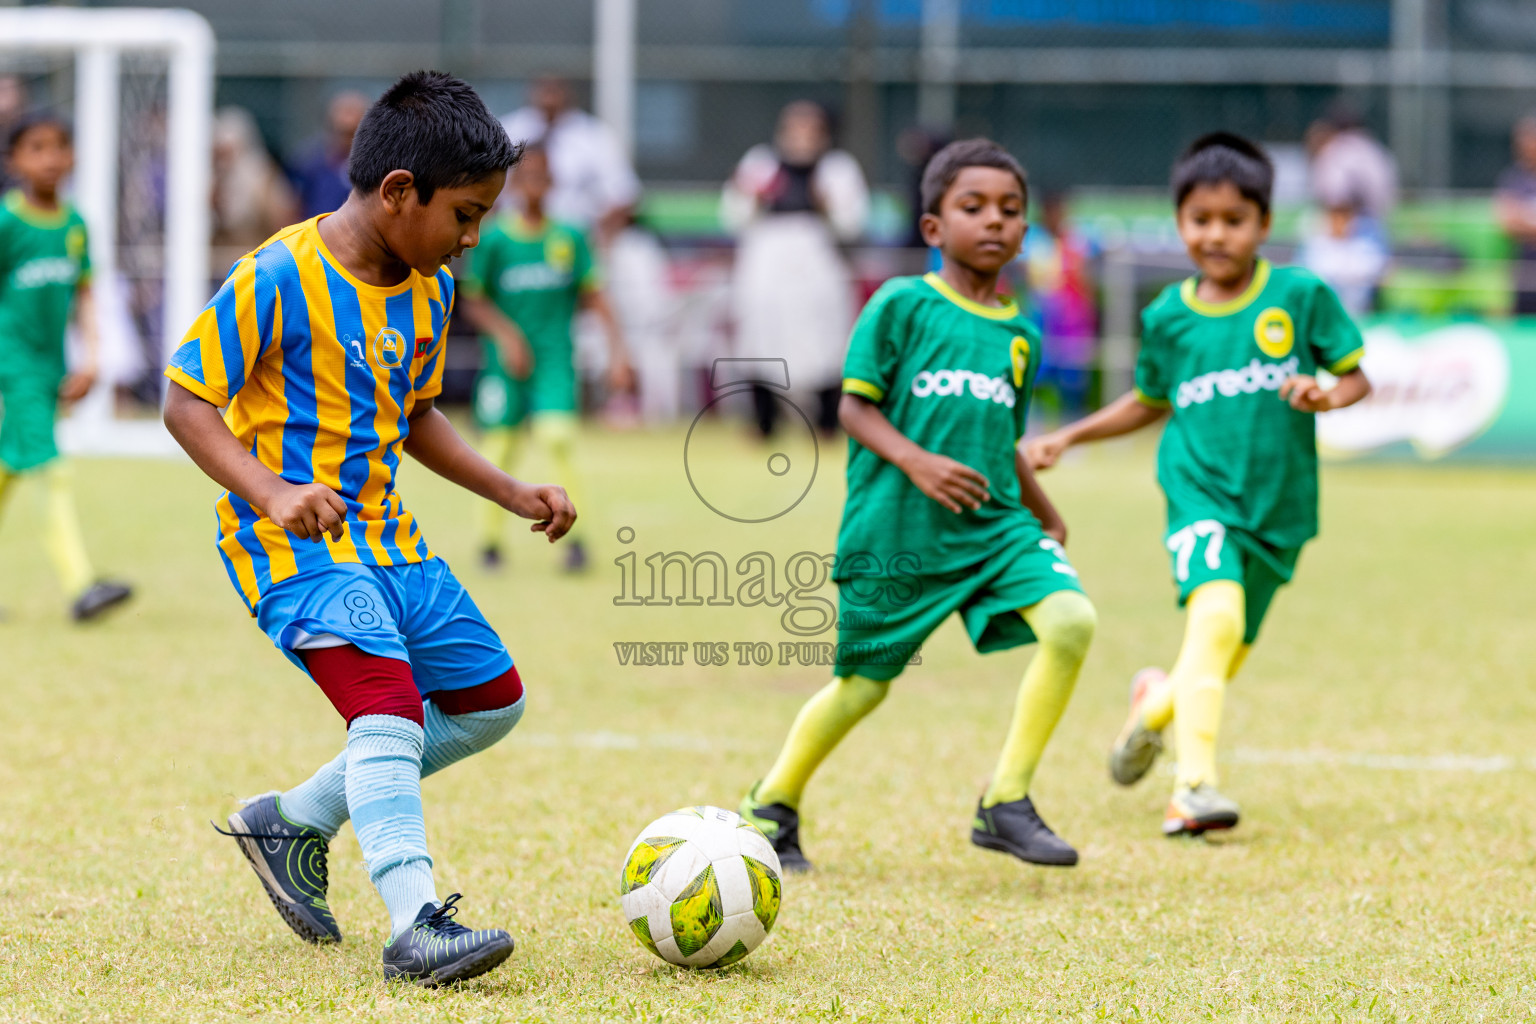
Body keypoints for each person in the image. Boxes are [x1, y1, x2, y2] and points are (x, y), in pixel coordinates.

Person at [161, 72, 571, 986]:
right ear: (398, 192)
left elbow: (415, 411)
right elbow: (187, 403)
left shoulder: (428, 287)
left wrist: (507, 490)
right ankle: (415, 922)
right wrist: (270, 490)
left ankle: (292, 820)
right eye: (464, 216)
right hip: (290, 547)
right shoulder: (276, 275)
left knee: (489, 702)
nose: (473, 239)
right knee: (383, 706)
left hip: (391, 539)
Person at [739, 139, 1098, 873]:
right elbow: (855, 410)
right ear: (933, 227)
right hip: (897, 529)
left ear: (1026, 231)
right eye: (973, 207)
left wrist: (1044, 508)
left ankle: (1006, 800)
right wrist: (919, 462)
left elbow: (1004, 438)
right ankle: (770, 805)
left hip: (994, 527)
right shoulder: (902, 304)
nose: (993, 222)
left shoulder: (1022, 337)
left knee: (1071, 621)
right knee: (862, 687)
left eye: (1009, 211)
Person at [1027, 133, 1372, 838]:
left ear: (1264, 224)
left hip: (1280, 510)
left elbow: (1358, 377)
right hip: (1198, 496)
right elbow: (1150, 401)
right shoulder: (1168, 317)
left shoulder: (1301, 296)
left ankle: (1154, 703)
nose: (1216, 234)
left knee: (1225, 650)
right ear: (1180, 221)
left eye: (1233, 220)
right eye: (1200, 219)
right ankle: (1194, 787)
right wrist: (1071, 434)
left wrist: (1326, 395)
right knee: (1214, 620)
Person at [458, 144, 633, 573]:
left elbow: (595, 296)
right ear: (515, 185)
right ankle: (490, 544)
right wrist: (507, 337)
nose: (535, 184)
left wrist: (618, 353)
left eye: (543, 176)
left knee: (559, 439)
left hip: (555, 359)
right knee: (499, 447)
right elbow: (474, 301)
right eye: (527, 177)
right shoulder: (495, 238)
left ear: (553, 183)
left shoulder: (569, 237)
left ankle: (575, 540)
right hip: (505, 362)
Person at [0, 113, 133, 622]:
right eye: (36, 147)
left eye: (59, 146)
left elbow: (84, 294)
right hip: (14, 364)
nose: (51, 158)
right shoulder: (8, 222)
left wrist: (93, 356)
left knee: (11, 463)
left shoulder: (76, 225)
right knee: (49, 467)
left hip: (52, 363)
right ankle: (82, 586)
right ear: (14, 161)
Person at [721, 101, 868, 438]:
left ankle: (827, 422)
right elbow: (733, 215)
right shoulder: (761, 162)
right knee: (761, 341)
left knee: (826, 343)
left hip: (815, 261)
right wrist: (754, 198)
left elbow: (852, 221)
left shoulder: (837, 168)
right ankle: (764, 423)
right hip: (767, 262)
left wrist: (825, 202)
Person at [501, 77, 640, 244]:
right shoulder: (508, 129)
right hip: (513, 240)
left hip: (581, 240)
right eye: (545, 88)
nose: (550, 95)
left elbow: (624, 194)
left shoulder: (595, 135)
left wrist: (600, 243)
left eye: (555, 88)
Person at [1022, 190, 1098, 420]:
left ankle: (1072, 424)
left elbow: (1085, 277)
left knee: (1073, 375)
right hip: (1042, 315)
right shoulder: (1032, 240)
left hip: (1072, 318)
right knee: (1036, 372)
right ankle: (1032, 423)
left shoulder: (1076, 239)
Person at [211, 106, 298, 272]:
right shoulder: (208, 177)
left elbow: (281, 218)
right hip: (217, 261)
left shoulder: (262, 175)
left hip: (252, 257)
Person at [1306, 101, 1396, 244]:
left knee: (1308, 226)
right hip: (1378, 223)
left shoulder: (1338, 149)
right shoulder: (1374, 147)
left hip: (1352, 228)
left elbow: (1336, 196)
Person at [1297, 196, 1388, 317]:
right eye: (1335, 218)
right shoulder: (1315, 247)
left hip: (1359, 311)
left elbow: (1379, 272)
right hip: (1322, 312)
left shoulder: (1362, 247)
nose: (1339, 223)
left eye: (1344, 219)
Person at [289, 90, 369, 219]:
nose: (348, 141)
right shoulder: (308, 163)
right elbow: (292, 205)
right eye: (342, 132)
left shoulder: (376, 166)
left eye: (353, 132)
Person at [1494, 113, 1536, 315]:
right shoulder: (1514, 177)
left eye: (1529, 140)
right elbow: (1506, 222)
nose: (1523, 146)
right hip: (1525, 270)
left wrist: (1525, 220)